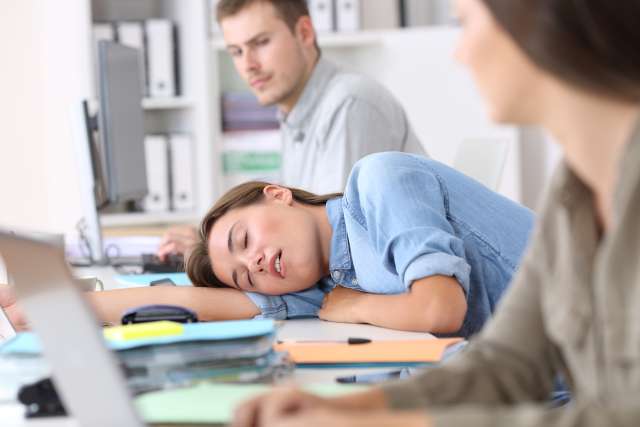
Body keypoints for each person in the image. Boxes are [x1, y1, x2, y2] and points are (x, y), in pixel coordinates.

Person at [228, 0, 640, 426]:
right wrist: (343, 409)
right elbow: (508, 362)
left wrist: (379, 421)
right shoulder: (573, 191)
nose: (458, 53)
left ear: (535, 21)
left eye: (465, 24)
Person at [0, 153, 533, 336]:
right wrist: (52, 304)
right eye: (245, 275)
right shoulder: (323, 281)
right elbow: (190, 303)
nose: (255, 264)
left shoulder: (377, 181)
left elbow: (440, 308)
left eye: (244, 239)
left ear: (277, 194)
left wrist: (352, 308)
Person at [157, 0, 427, 259]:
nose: (248, 65)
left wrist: (216, 255)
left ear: (304, 33)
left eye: (260, 43)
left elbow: (334, 246)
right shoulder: (294, 114)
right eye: (236, 51)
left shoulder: (349, 104)